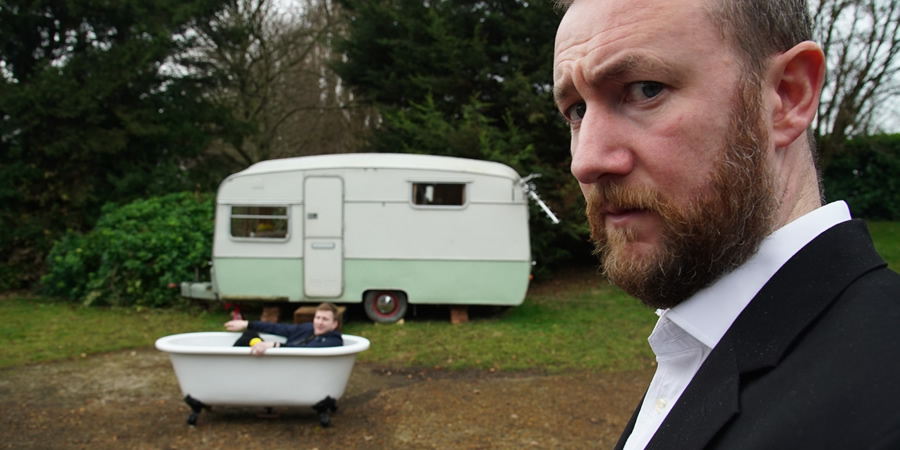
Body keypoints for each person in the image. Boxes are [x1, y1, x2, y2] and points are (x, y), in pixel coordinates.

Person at [553, 0, 900, 448]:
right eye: (577, 110)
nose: (586, 161)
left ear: (787, 96)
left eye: (644, 90)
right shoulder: (704, 341)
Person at [224, 302, 343, 355]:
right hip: (278, 362)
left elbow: (308, 350)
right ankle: (229, 365)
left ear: (334, 324)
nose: (319, 322)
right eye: (318, 318)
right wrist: (247, 324)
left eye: (325, 319)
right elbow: (277, 328)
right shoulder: (307, 329)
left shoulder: (334, 340)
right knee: (249, 335)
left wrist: (277, 346)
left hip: (290, 366)